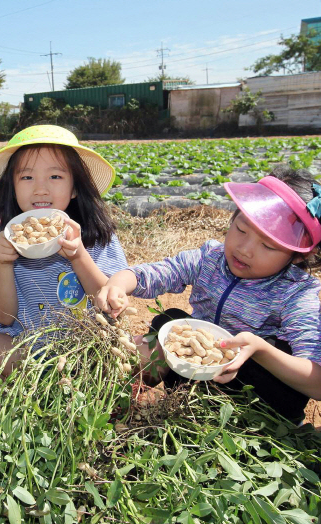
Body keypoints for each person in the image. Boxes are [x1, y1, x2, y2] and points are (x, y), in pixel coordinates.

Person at [95, 166, 321, 423]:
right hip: (192, 381)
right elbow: (158, 272)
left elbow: (317, 382)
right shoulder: (209, 259)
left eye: (268, 245)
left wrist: (259, 350)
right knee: (163, 327)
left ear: (299, 254)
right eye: (241, 229)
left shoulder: (296, 294)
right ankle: (116, 404)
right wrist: (119, 282)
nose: (245, 249)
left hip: (254, 404)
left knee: (276, 351)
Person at [0, 124, 127, 379]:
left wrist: (78, 256)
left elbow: (109, 301)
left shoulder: (94, 235)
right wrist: (4, 264)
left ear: (75, 187)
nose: (40, 189)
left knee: (145, 352)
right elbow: (4, 316)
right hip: (26, 352)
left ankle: (73, 390)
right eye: (27, 177)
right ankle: (33, 390)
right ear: (12, 185)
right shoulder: (6, 237)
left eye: (55, 177)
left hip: (87, 353)